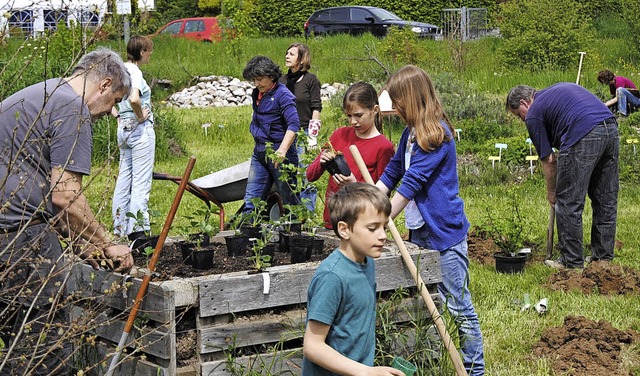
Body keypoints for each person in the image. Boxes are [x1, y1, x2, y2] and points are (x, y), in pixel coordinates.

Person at [0, 47, 134, 375]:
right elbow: (65, 196)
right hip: (20, 238)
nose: (109, 111)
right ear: (104, 85)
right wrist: (107, 243)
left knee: (14, 341)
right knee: (44, 346)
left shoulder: (39, 93)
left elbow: (33, 181)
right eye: (115, 100)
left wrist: (82, 243)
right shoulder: (70, 108)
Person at [375, 65, 485, 375]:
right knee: (428, 301)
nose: (394, 108)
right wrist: (372, 197)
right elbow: (395, 170)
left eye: (397, 101)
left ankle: (475, 371)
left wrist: (379, 218)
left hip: (445, 235)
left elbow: (411, 183)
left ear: (411, 99)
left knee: (459, 307)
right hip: (420, 231)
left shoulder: (437, 134)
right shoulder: (410, 133)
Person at [506, 83, 619, 269]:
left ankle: (572, 262)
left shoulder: (533, 114)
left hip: (583, 132)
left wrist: (552, 192)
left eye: (519, 115)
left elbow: (549, 160)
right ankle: (603, 259)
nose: (522, 120)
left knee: (568, 203)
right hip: (610, 129)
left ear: (524, 102)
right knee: (605, 199)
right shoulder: (554, 92)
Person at [302, 182, 404, 376]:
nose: (383, 236)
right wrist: (366, 372)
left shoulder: (367, 262)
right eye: (373, 228)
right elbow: (312, 346)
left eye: (384, 227)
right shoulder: (332, 277)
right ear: (344, 230)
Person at [306, 82, 394, 229]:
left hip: (359, 224)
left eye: (358, 115)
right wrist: (321, 162)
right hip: (333, 219)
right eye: (349, 116)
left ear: (375, 110)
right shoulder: (340, 135)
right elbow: (310, 175)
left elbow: (381, 197)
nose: (353, 121)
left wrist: (354, 184)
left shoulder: (384, 147)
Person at [242, 56, 301, 216]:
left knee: (290, 200)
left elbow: (294, 124)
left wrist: (282, 150)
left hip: (280, 153)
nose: (256, 84)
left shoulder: (283, 95)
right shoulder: (257, 94)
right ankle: (247, 233)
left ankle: (295, 234)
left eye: (260, 79)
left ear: (271, 76)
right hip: (260, 153)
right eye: (254, 80)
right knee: (251, 200)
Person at [112, 36, 156, 243]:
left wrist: (118, 115)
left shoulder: (117, 69)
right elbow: (134, 98)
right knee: (140, 181)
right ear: (142, 51)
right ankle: (138, 232)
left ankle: (119, 227)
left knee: (124, 178)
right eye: (149, 51)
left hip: (123, 129)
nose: (150, 54)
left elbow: (109, 99)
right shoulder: (135, 71)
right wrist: (140, 116)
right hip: (139, 130)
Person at [280, 42, 323, 212]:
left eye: (291, 54)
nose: (287, 56)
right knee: (287, 173)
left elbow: (316, 108)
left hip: (304, 131)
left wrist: (313, 135)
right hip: (286, 133)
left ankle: (308, 212)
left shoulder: (311, 80)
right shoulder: (282, 81)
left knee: (305, 174)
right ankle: (290, 212)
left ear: (301, 58)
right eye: (287, 53)